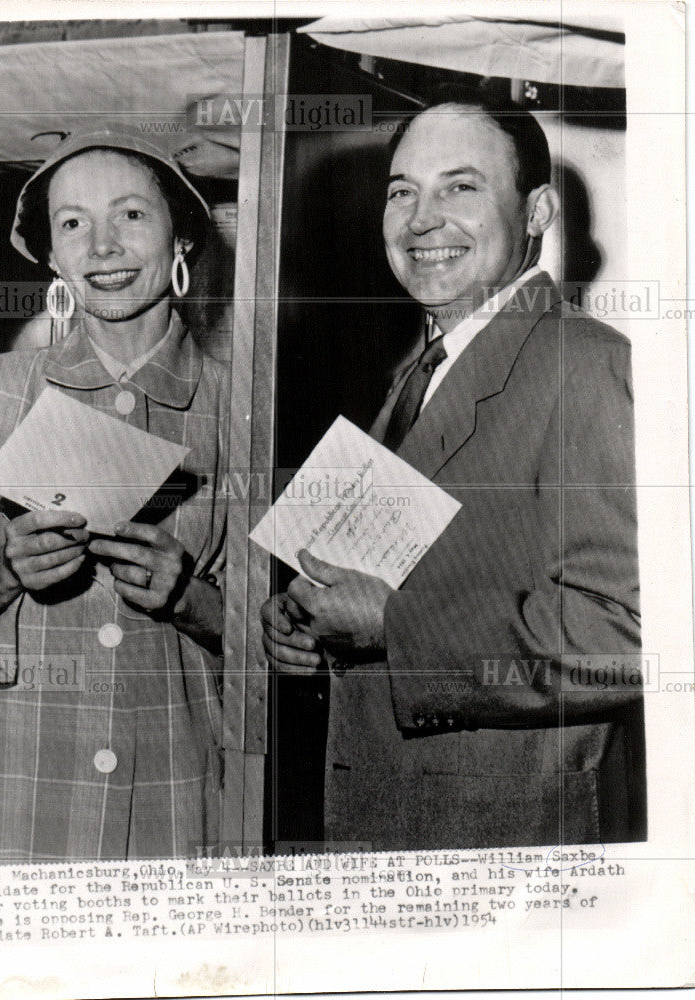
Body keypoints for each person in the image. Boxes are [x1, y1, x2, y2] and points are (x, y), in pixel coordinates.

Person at [261, 87, 643, 851]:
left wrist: (391, 628)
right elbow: (391, 576)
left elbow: (625, 636)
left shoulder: (588, 366)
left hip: (510, 842)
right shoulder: (416, 371)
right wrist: (309, 625)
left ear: (537, 213)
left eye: (460, 187)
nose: (421, 219)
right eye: (402, 192)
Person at [0, 125, 228, 864]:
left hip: (178, 805)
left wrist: (191, 597)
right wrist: (0, 575)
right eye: (73, 225)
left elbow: (296, 643)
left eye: (131, 214)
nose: (102, 247)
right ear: (53, 256)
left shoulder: (248, 409)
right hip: (7, 800)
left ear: (181, 238)